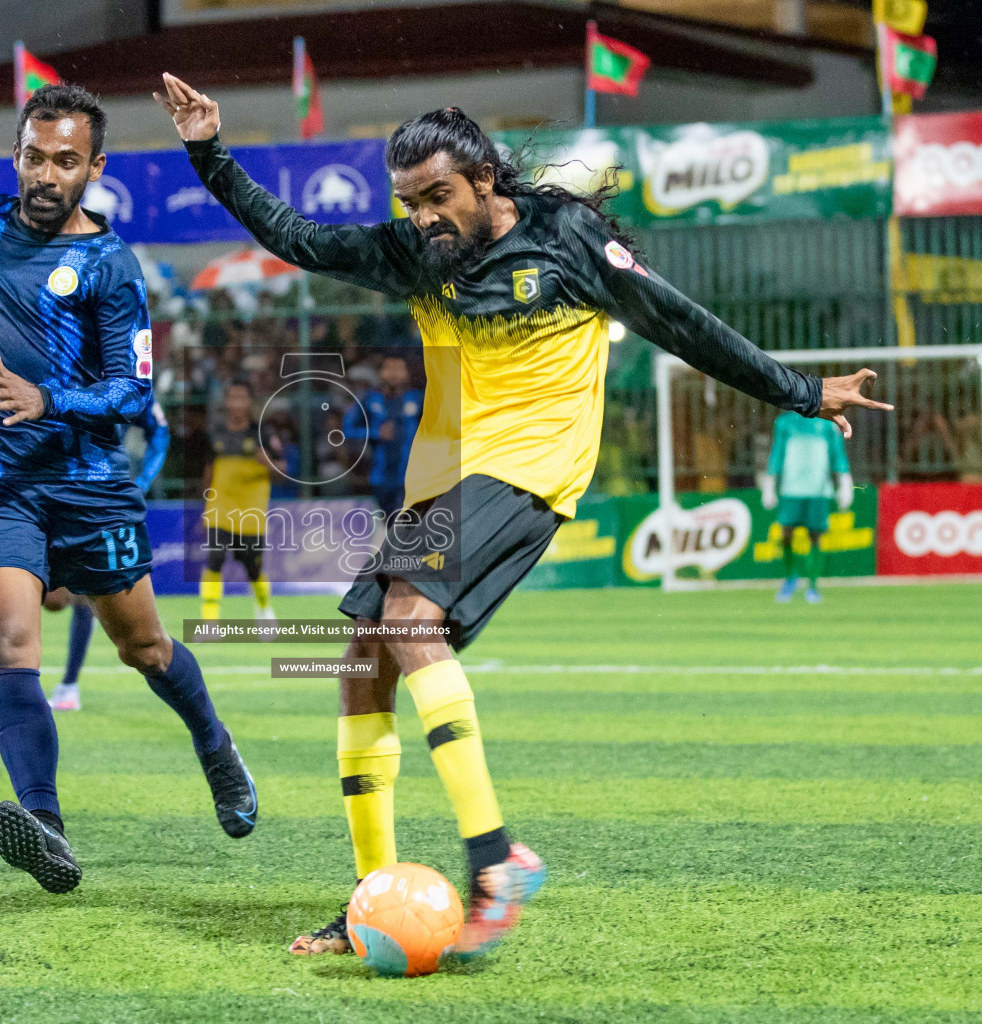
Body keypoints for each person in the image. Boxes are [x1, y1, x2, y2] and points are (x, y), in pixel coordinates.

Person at [157, 73, 891, 959]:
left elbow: (682, 323)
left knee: (407, 619)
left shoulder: (566, 239)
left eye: (438, 197)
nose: (424, 216)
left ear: (484, 184)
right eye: (409, 201)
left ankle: (494, 861)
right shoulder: (408, 253)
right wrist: (209, 151)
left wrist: (802, 391)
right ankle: (368, 900)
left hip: (532, 467)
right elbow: (298, 238)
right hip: (444, 477)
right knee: (359, 662)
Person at [0, 84, 257, 896]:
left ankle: (213, 742)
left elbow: (131, 394)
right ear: (16, 154)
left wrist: (48, 399)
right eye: (33, 156)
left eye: (65, 161)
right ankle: (47, 829)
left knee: (142, 647)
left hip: (86, 482)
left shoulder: (109, 265)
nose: (44, 173)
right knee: (8, 644)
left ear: (94, 167)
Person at [48, 396, 171, 712]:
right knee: (53, 600)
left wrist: (140, 483)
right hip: (46, 491)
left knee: (83, 599)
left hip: (99, 501)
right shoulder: (57, 364)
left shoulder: (122, 378)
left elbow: (159, 430)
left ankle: (69, 685)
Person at [200, 378, 278, 621]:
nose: (237, 403)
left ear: (249, 402)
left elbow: (283, 470)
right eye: (232, 397)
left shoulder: (263, 434)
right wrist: (206, 503)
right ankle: (209, 621)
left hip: (250, 511)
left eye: (241, 398)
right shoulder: (215, 434)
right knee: (215, 559)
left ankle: (264, 609)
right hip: (220, 507)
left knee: (253, 568)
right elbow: (209, 472)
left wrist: (268, 462)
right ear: (226, 402)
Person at [762, 411, 853, 604]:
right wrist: (770, 482)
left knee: (815, 536)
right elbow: (777, 451)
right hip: (791, 488)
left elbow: (837, 453)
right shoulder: (785, 422)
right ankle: (790, 578)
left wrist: (845, 481)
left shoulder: (827, 424)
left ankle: (812, 586)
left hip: (818, 488)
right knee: (786, 533)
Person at [343, 354, 423, 516]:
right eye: (388, 368)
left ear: (407, 372)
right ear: (380, 372)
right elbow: (347, 430)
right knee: (386, 522)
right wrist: (375, 433)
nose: (393, 373)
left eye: (398, 368)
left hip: (411, 476)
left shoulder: (419, 399)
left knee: (405, 524)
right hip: (379, 477)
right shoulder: (369, 399)